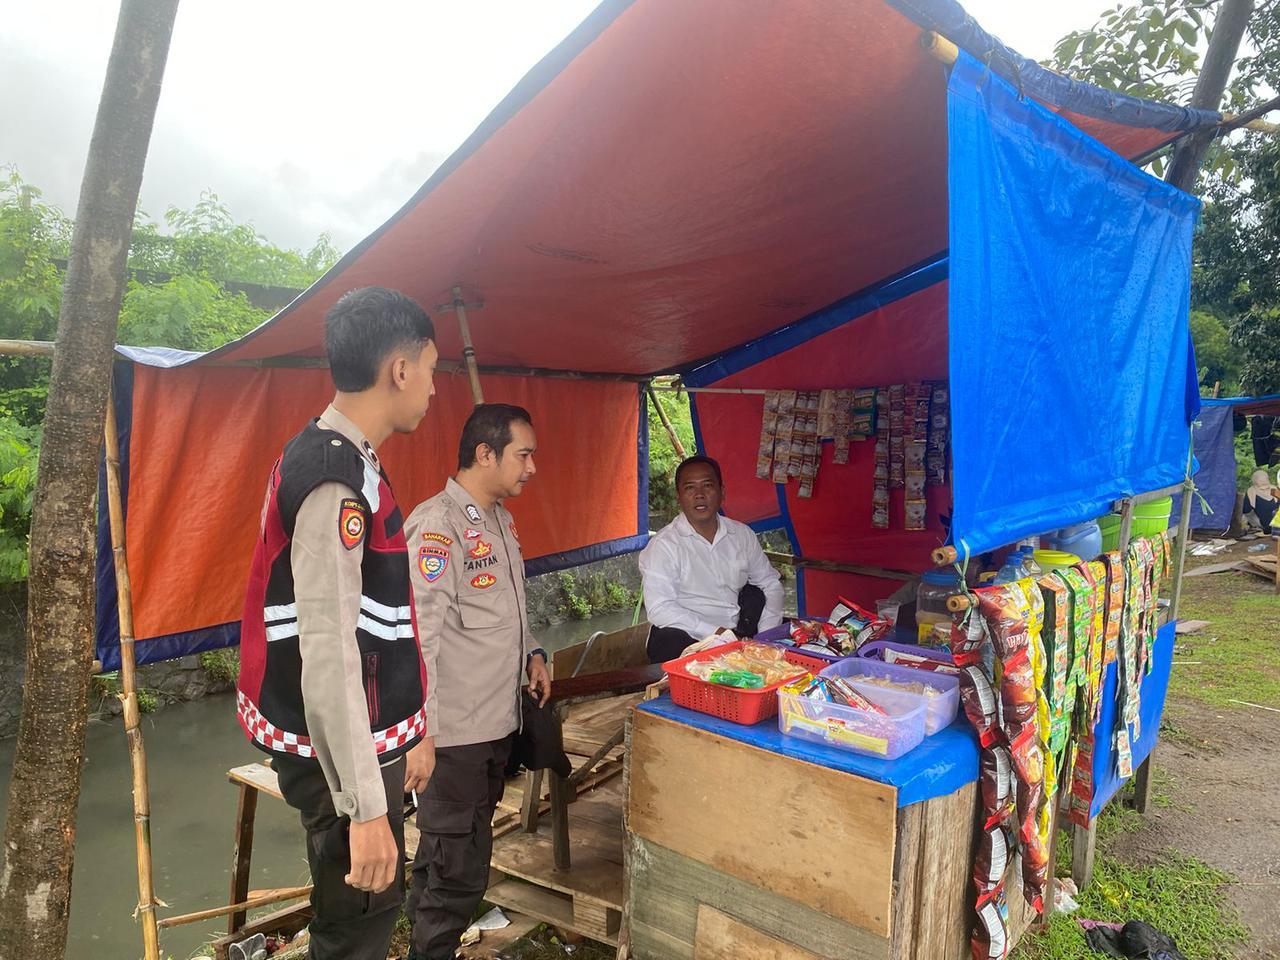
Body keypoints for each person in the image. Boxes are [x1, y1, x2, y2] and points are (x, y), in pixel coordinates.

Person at [236, 287, 439, 960]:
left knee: (363, 912)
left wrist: (413, 730)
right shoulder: (334, 478)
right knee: (359, 920)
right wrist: (364, 807)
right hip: (339, 750)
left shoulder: (343, 456)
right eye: (431, 369)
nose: (434, 387)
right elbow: (328, 648)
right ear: (400, 370)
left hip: (364, 731)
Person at [404, 403, 552, 960]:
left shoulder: (498, 520)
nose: (532, 468)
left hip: (495, 722)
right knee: (458, 873)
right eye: (524, 455)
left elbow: (509, 607)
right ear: (485, 454)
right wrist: (421, 732)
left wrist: (532, 651)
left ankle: (424, 942)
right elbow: (418, 640)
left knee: (449, 855)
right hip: (454, 736)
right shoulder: (438, 527)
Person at [640, 455, 784, 663]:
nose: (699, 495)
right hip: (688, 637)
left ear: (722, 492)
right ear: (679, 496)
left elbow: (770, 583)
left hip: (737, 631)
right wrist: (718, 633)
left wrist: (765, 638)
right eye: (690, 488)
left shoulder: (742, 535)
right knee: (668, 640)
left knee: (757, 596)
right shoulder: (663, 545)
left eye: (707, 485)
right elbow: (660, 609)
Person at [1242, 468, 1279, 534]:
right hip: (1277, 526)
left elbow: (1246, 510)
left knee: (1248, 515)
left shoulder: (1251, 491)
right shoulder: (1274, 489)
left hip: (1264, 527)